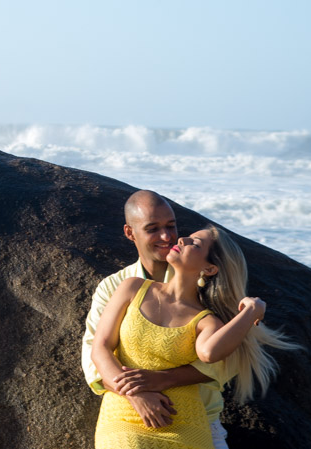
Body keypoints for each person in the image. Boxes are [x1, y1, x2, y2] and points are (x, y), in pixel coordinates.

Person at [89, 218, 298, 449]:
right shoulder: (132, 287)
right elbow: (100, 347)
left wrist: (251, 311)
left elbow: (209, 353)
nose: (181, 239)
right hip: (123, 417)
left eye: (195, 244)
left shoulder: (206, 321)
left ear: (209, 269)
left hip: (184, 422)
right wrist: (136, 395)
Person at [81, 191, 234, 448]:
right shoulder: (116, 286)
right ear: (130, 233)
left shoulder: (210, 290)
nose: (166, 236)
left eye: (171, 226)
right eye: (153, 229)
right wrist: (137, 394)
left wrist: (164, 379)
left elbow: (228, 359)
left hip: (199, 420)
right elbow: (93, 356)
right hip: (127, 416)